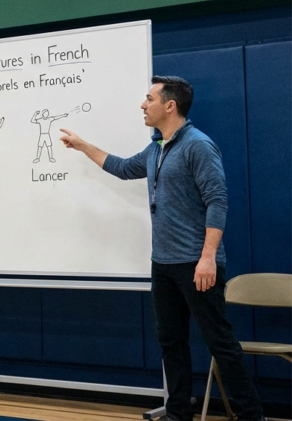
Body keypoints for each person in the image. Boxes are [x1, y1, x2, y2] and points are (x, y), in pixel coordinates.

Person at [59, 76, 265, 421]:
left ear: (170, 105)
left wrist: (208, 258)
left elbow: (217, 200)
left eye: (149, 99)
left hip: (196, 264)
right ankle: (178, 412)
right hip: (164, 263)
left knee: (220, 343)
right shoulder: (156, 148)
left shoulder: (198, 145)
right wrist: (82, 145)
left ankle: (251, 415)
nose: (143, 105)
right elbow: (123, 168)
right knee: (171, 343)